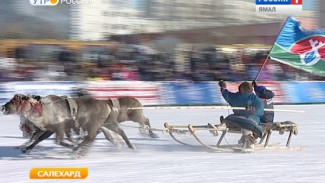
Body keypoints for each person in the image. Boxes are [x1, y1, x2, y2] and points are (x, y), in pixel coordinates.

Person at [219, 80, 264, 148]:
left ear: (242, 89)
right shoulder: (250, 97)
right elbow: (261, 107)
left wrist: (223, 88)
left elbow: (226, 94)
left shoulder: (251, 98)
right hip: (241, 118)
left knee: (242, 122)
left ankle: (249, 138)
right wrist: (223, 88)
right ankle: (248, 137)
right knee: (235, 120)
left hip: (249, 118)